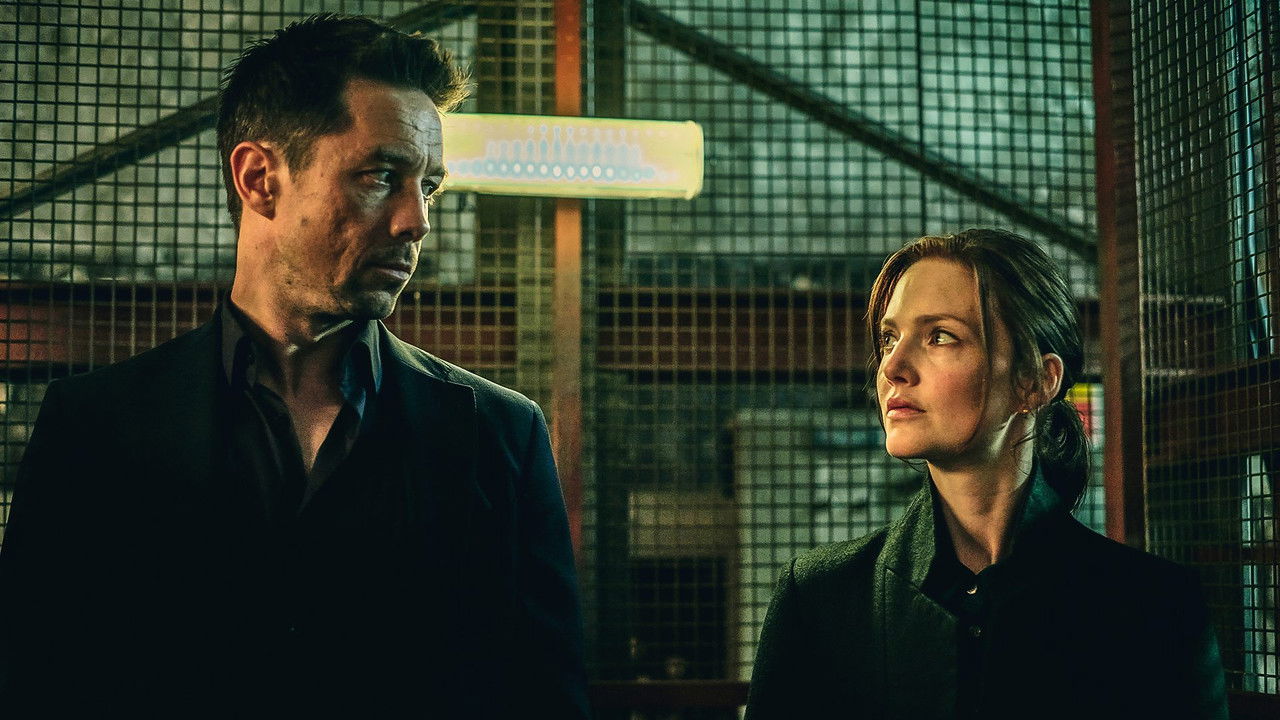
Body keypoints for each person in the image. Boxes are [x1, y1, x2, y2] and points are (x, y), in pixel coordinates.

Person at [0, 14, 590, 718]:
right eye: (380, 176)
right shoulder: (95, 427)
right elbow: (36, 681)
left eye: (428, 187)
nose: (418, 221)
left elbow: (547, 698)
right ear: (259, 179)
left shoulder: (502, 435)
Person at [745, 229, 1227, 719]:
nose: (892, 367)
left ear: (1035, 381)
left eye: (940, 336)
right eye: (889, 338)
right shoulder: (820, 599)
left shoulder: (1154, 606)